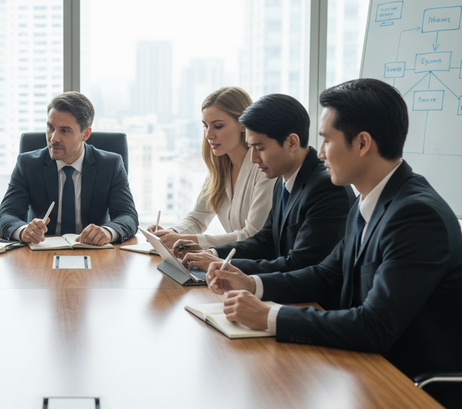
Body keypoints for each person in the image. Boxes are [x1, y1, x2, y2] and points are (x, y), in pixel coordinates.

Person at [206, 78, 462, 389]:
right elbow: (327, 275)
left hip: (412, 389)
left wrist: (269, 317)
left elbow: (374, 325)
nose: (321, 153)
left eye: (327, 141)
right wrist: (253, 284)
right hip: (364, 369)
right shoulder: (367, 202)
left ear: (363, 143)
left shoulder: (416, 216)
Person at [182, 94, 354, 274]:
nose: (254, 158)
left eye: (260, 148)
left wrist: (223, 266)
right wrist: (212, 253)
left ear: (292, 142)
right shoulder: (282, 179)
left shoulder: (326, 188)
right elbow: (265, 240)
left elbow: (301, 264)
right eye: (250, 148)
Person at [0, 91, 139, 245]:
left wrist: (108, 232)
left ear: (85, 134)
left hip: (94, 252)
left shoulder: (110, 165)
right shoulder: (28, 164)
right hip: (42, 252)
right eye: (50, 127)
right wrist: (24, 231)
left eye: (64, 130)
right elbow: (6, 215)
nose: (53, 138)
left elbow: (128, 216)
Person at [148, 87, 275, 249]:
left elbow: (252, 235)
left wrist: (190, 241)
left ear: (244, 124)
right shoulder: (219, 168)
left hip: (254, 264)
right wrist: (169, 233)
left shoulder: (264, 169)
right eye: (205, 126)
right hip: (231, 260)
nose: (208, 135)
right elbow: (197, 218)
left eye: (218, 126)